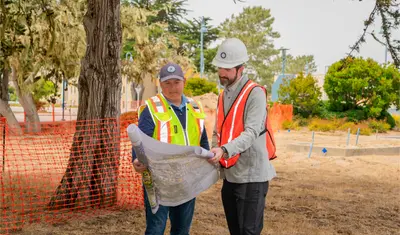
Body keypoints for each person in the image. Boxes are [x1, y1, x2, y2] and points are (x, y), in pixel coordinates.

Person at [208, 38, 277, 235]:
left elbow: (252, 133)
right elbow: (217, 131)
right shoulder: (222, 95)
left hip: (251, 176)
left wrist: (224, 150)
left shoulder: (255, 93)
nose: (222, 72)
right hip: (231, 175)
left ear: (241, 68)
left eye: (228, 69)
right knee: (235, 231)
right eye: (220, 67)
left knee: (249, 231)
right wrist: (215, 151)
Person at [132, 62, 210, 235]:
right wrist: (136, 160)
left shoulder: (195, 108)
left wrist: (208, 158)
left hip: (187, 181)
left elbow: (202, 139)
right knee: (156, 229)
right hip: (159, 181)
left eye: (176, 82)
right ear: (160, 84)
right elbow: (139, 140)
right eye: (167, 83)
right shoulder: (151, 109)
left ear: (184, 82)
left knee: (182, 230)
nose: (172, 87)